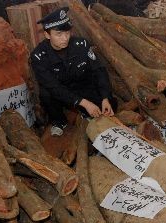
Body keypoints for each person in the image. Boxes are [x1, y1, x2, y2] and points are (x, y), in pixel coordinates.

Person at [31, 7, 115, 136]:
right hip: (59, 91)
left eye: (67, 32)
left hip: (81, 86)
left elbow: (99, 70)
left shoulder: (81, 45)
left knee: (110, 107)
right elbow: (54, 87)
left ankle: (83, 111)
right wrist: (84, 103)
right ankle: (59, 121)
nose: (65, 38)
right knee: (46, 93)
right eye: (59, 34)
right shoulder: (39, 56)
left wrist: (105, 97)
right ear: (47, 35)